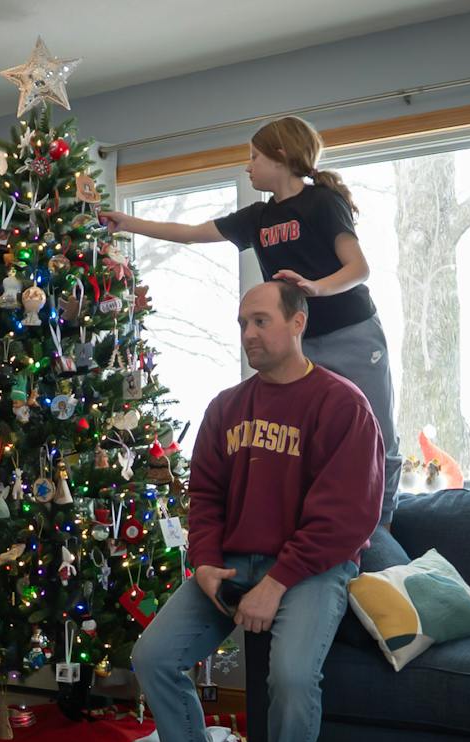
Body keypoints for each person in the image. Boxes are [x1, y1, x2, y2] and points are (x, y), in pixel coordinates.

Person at [132, 281, 385, 742]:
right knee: (153, 657)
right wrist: (204, 563)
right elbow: (205, 498)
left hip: (313, 568)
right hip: (231, 564)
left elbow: (347, 518)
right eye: (243, 322)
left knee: (292, 678)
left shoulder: (342, 404)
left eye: (261, 321)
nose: (248, 334)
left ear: (298, 324)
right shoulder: (226, 407)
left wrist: (276, 582)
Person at [102, 115, 399, 523]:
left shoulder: (322, 202)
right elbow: (190, 232)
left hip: (353, 332)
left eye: (254, 157)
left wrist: (314, 287)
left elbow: (358, 269)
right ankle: (313, 523)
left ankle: (380, 529)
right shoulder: (257, 218)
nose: (248, 166)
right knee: (302, 440)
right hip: (301, 343)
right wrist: (128, 222)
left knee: (377, 433)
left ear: (281, 156)